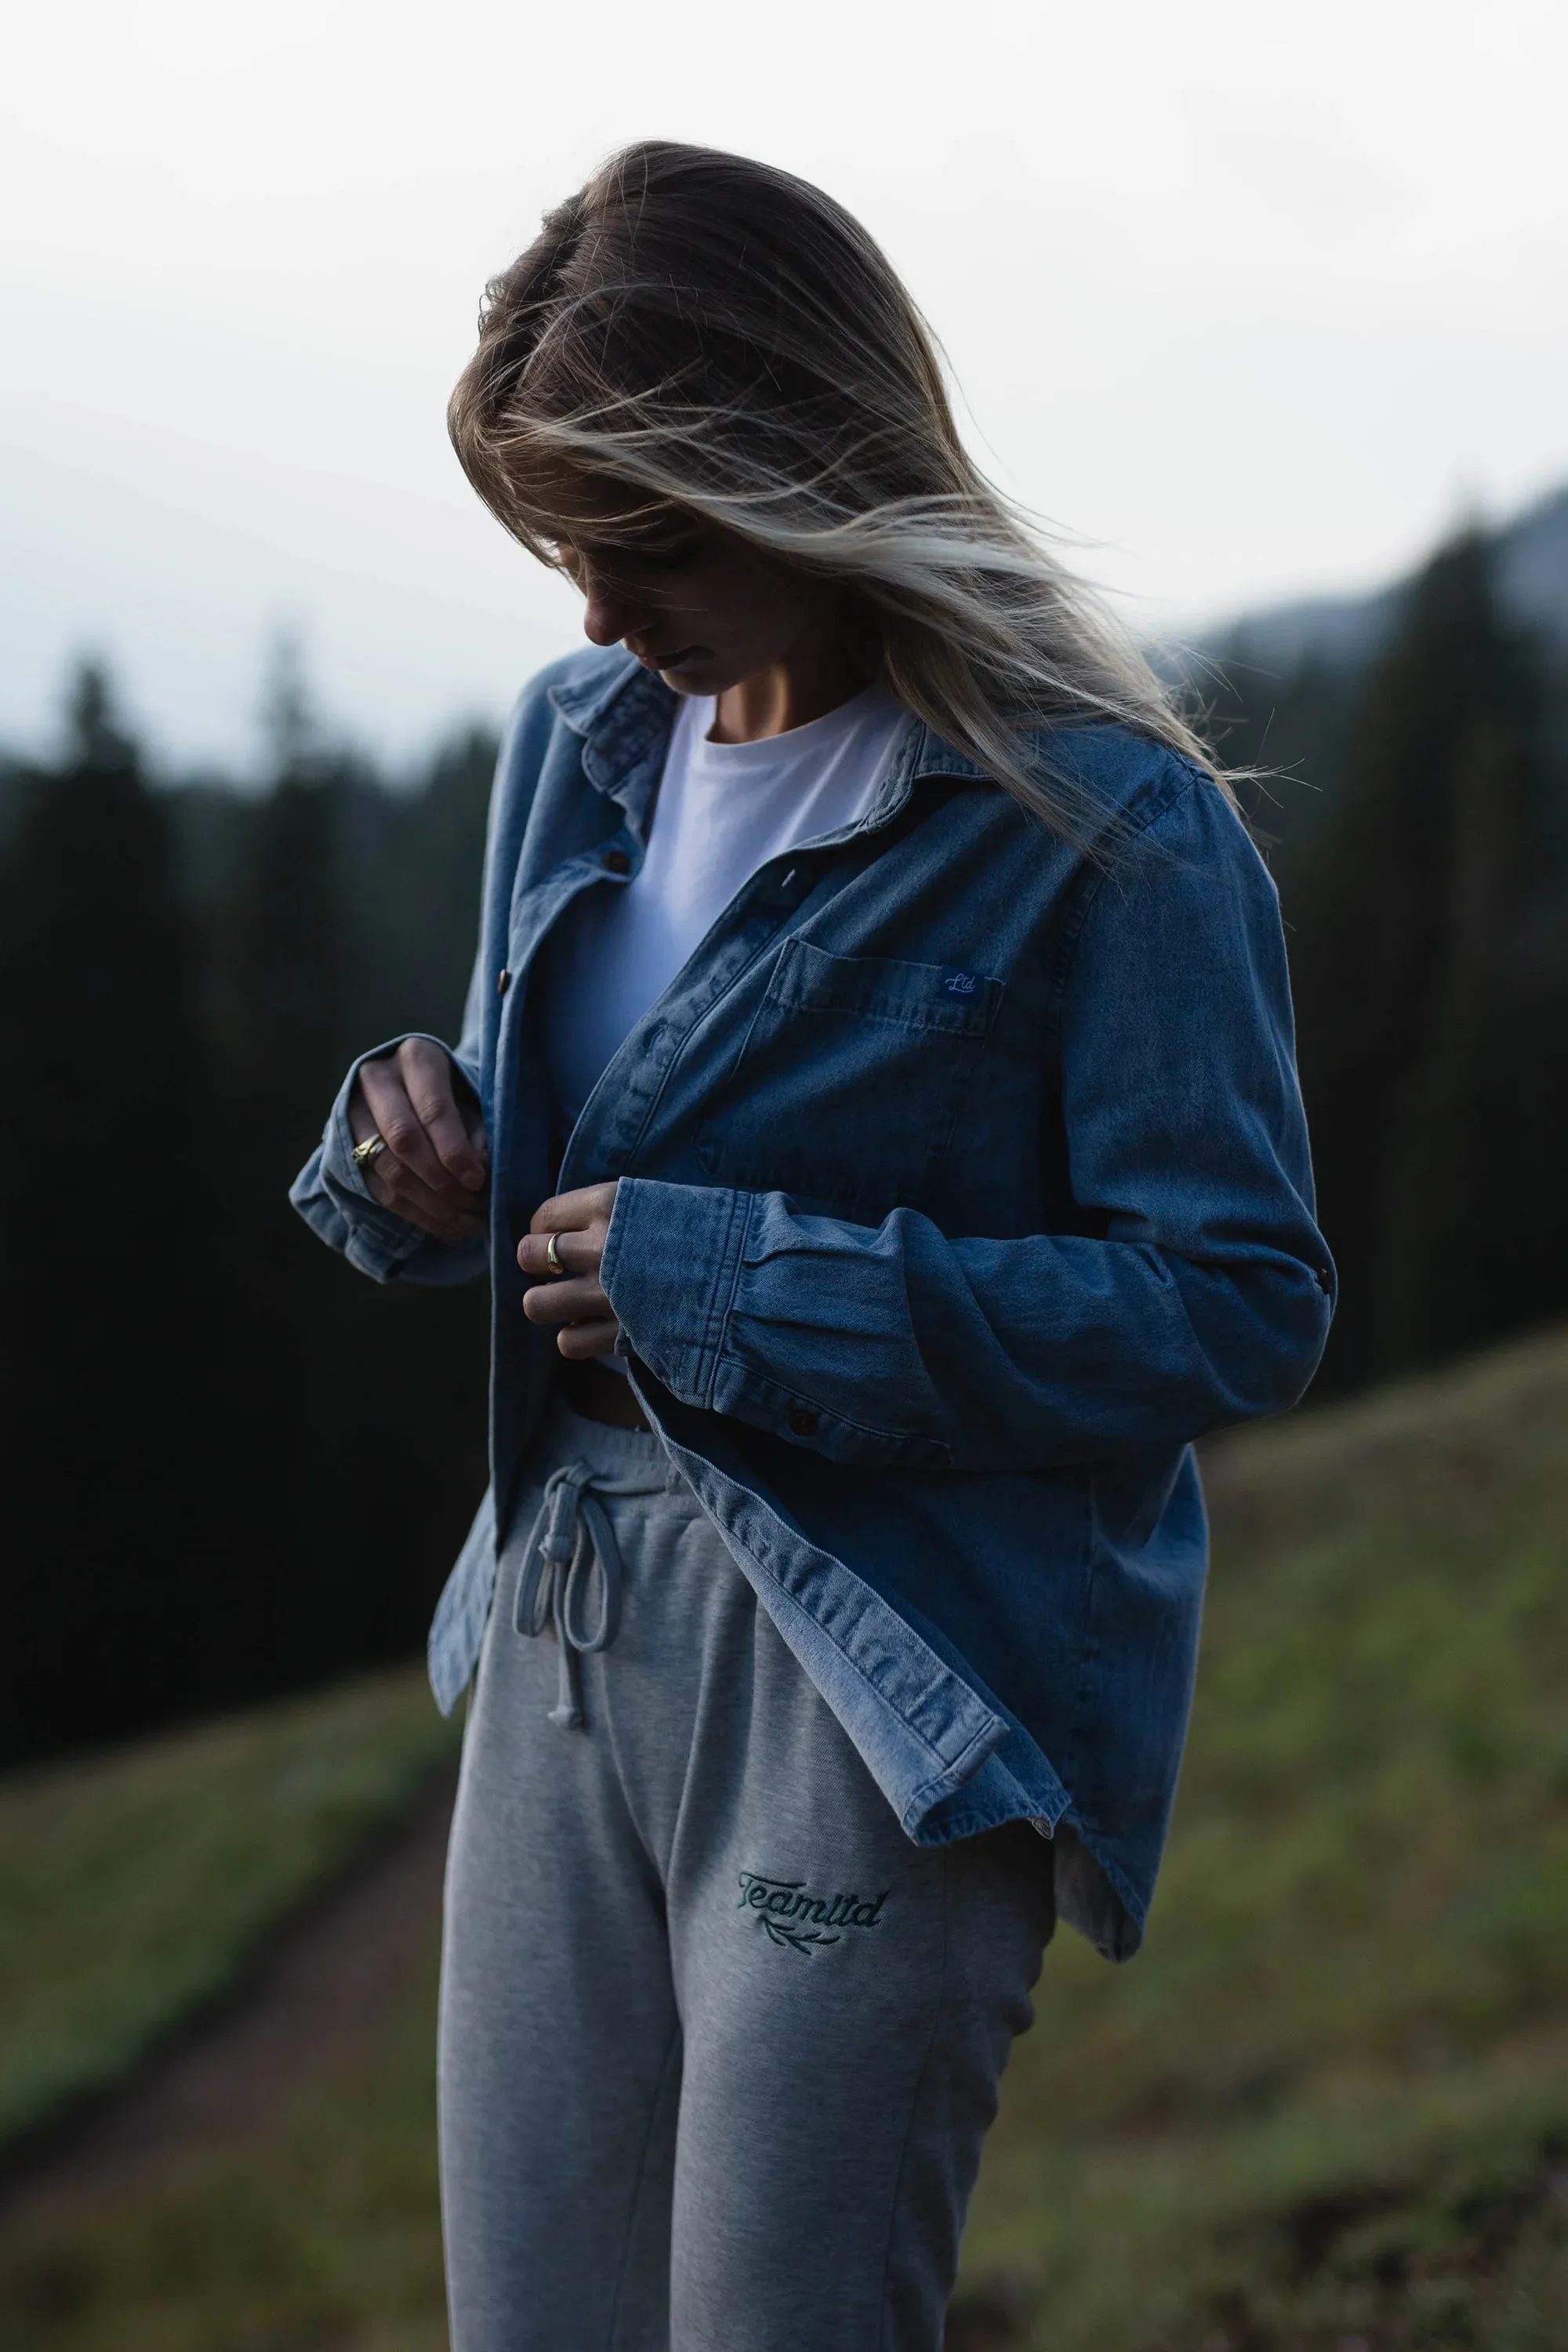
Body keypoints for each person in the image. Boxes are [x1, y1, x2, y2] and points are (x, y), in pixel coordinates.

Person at [291, 140, 1334, 2352]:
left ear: (810, 461)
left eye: (646, 540)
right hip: (557, 1624)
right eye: (566, 547)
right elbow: (553, 1156)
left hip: (877, 1674)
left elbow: (1240, 1299)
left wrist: (762, 1288)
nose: (598, 611)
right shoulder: (576, 743)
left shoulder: (1109, 825)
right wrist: (424, 1166)